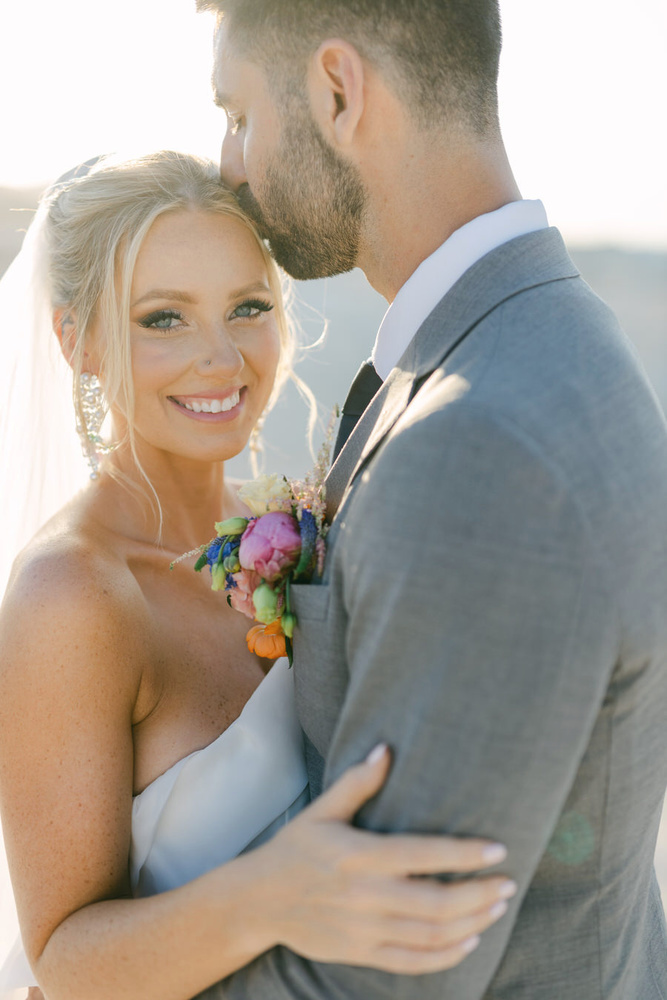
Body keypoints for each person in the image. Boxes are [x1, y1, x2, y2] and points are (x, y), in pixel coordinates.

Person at [194, 0, 667, 997]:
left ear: (336, 91)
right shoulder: (549, 337)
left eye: (237, 114)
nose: (228, 162)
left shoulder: (478, 441)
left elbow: (380, 983)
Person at [0, 151, 514, 1000]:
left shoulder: (295, 528)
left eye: (247, 307)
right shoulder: (76, 595)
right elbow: (65, 961)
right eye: (164, 318)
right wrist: (273, 896)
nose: (221, 357)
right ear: (78, 340)